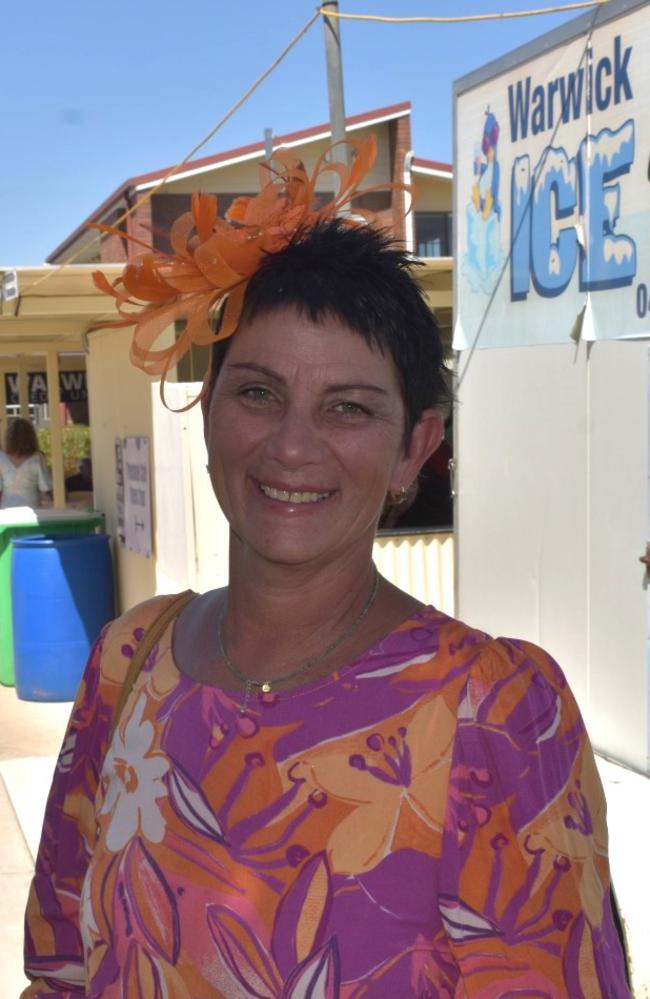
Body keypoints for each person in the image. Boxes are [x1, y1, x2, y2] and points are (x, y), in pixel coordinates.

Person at [22, 138, 630, 998]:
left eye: (349, 407)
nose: (293, 444)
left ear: (415, 448)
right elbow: (59, 971)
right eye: (259, 392)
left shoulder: (489, 712)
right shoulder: (129, 662)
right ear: (209, 409)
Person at [0, 417, 52, 509]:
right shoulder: (37, 457)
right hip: (32, 509)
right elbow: (45, 486)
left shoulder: (1, 458)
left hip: (7, 510)